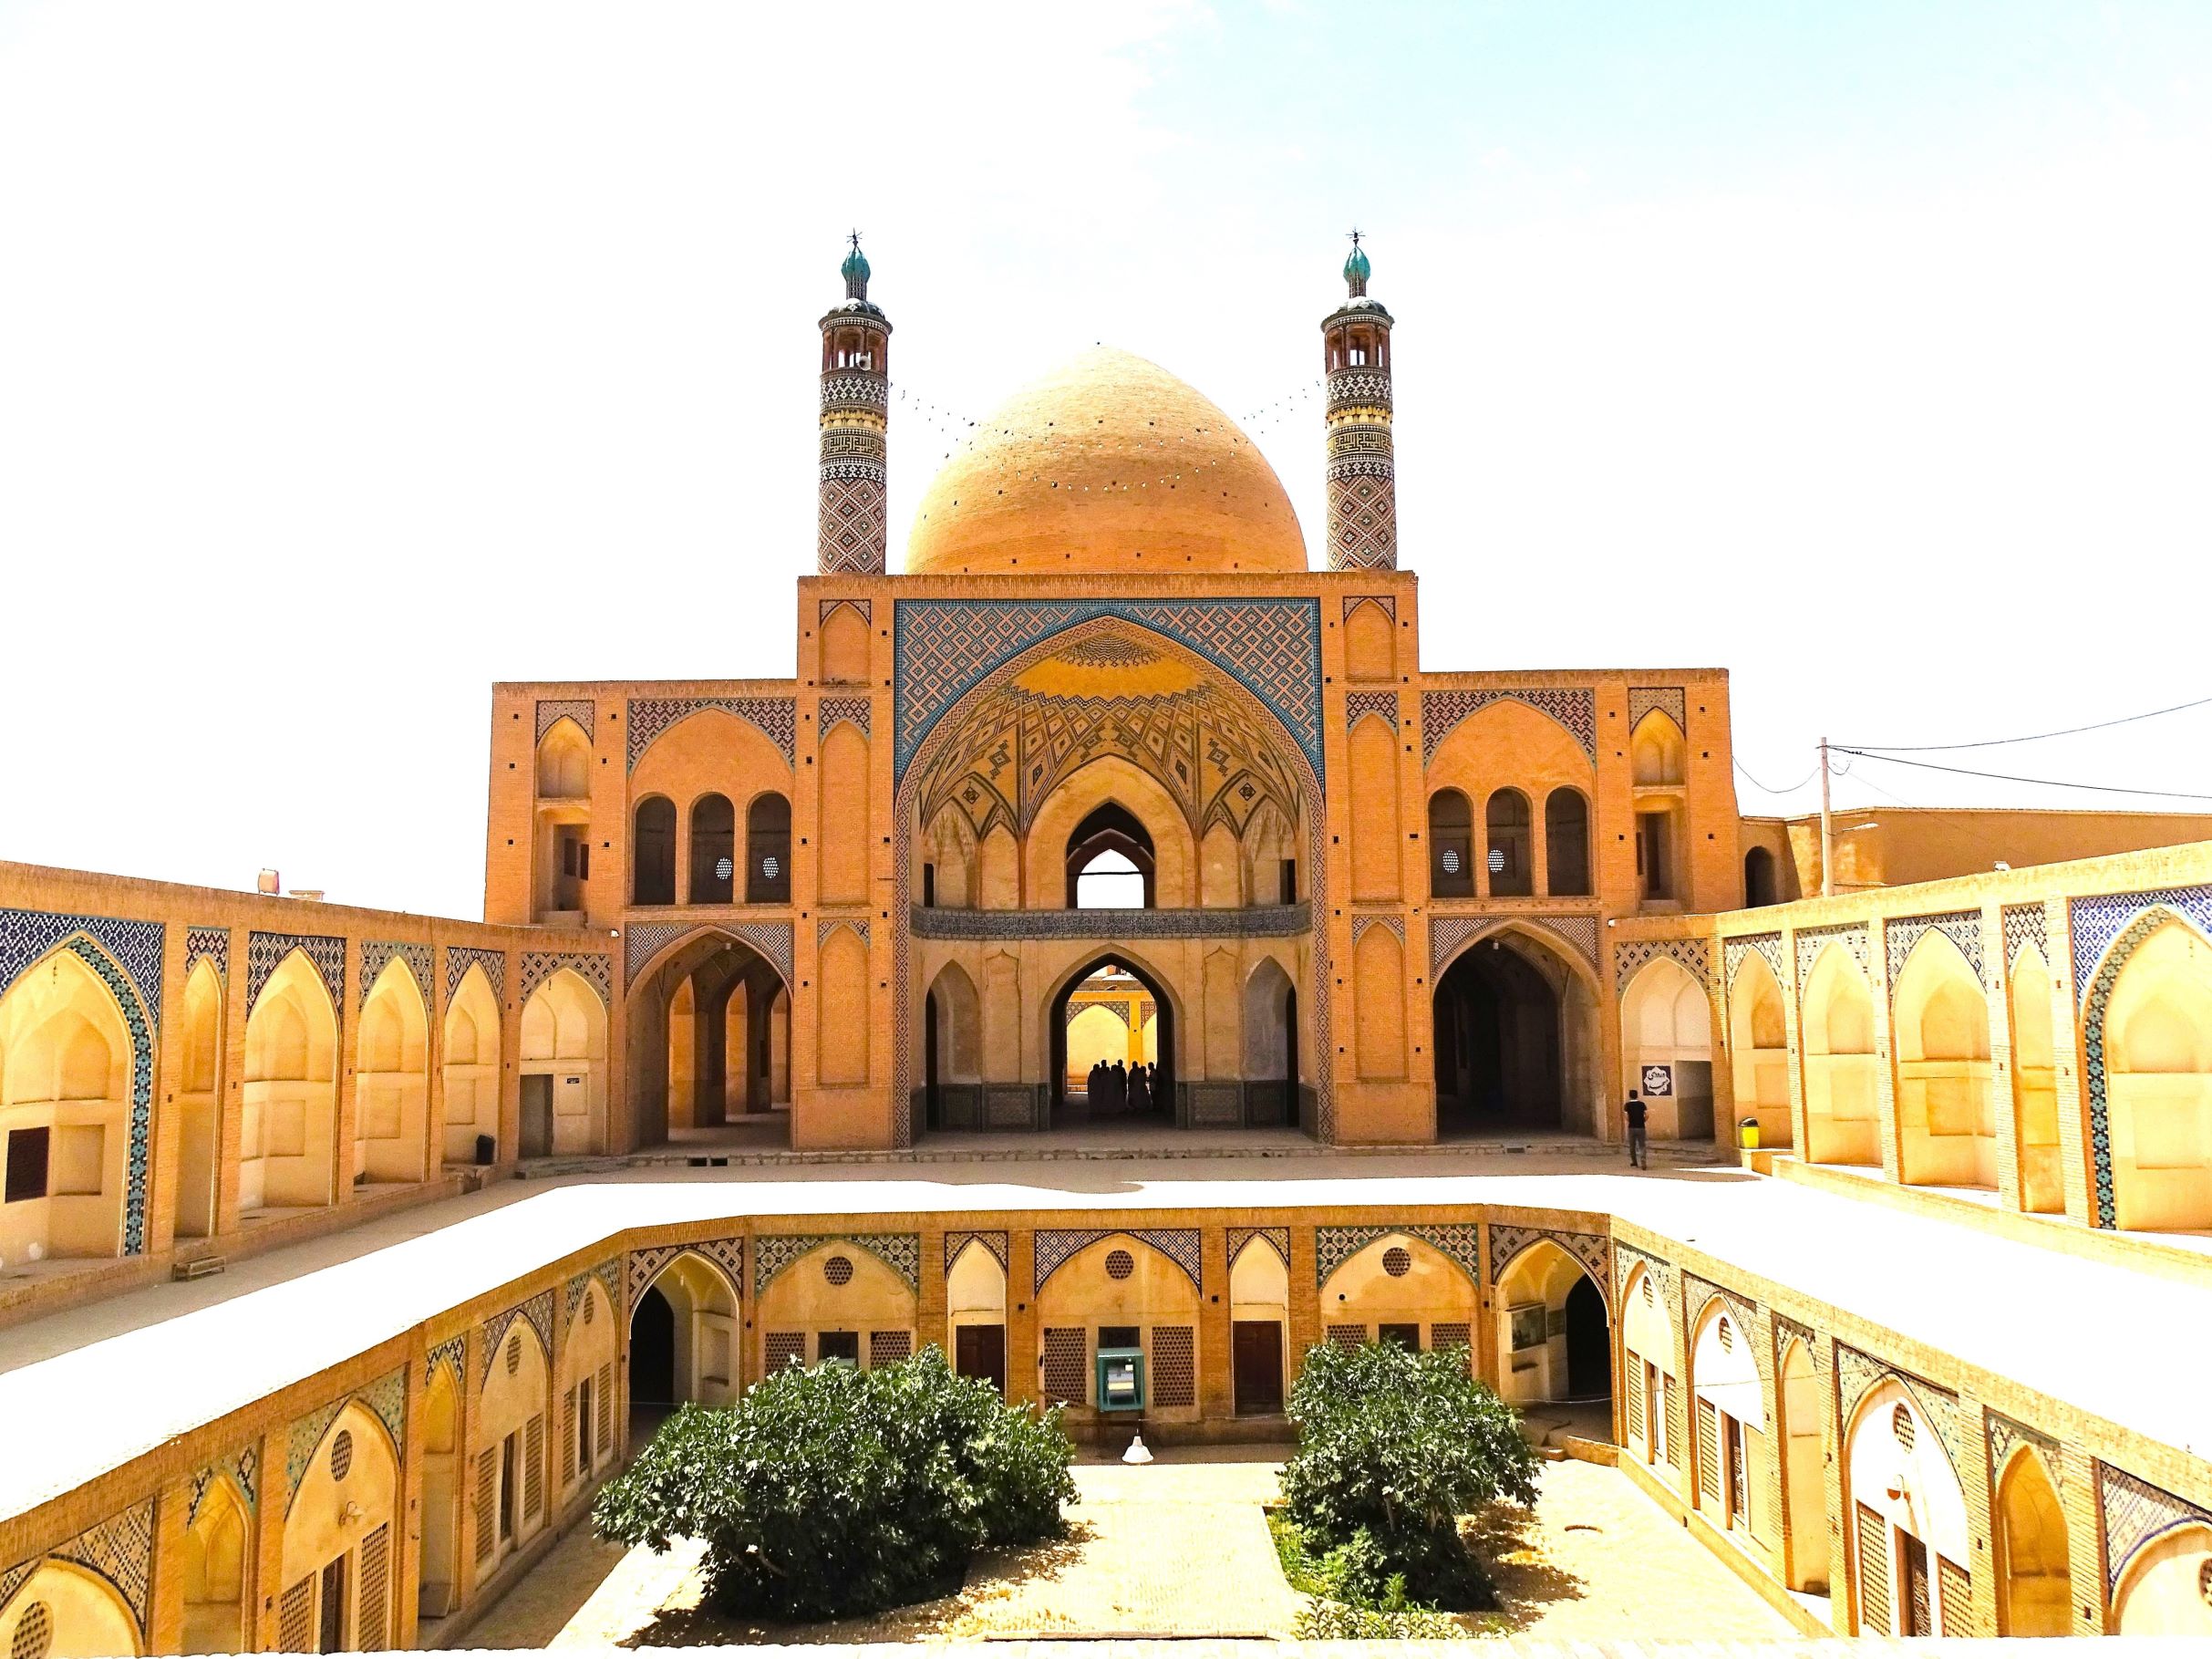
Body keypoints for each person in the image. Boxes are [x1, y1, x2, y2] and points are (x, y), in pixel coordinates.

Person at [1623, 1089, 1649, 1169]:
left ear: (1630, 1096)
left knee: (1632, 1146)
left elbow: (1626, 1116)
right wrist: (1643, 1120)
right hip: (1641, 1127)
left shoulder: (1627, 1105)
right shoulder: (1642, 1104)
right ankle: (1643, 1160)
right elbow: (1647, 1115)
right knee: (1642, 1145)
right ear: (1637, 1095)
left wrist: (1630, 1121)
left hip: (1632, 1127)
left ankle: (1634, 1162)